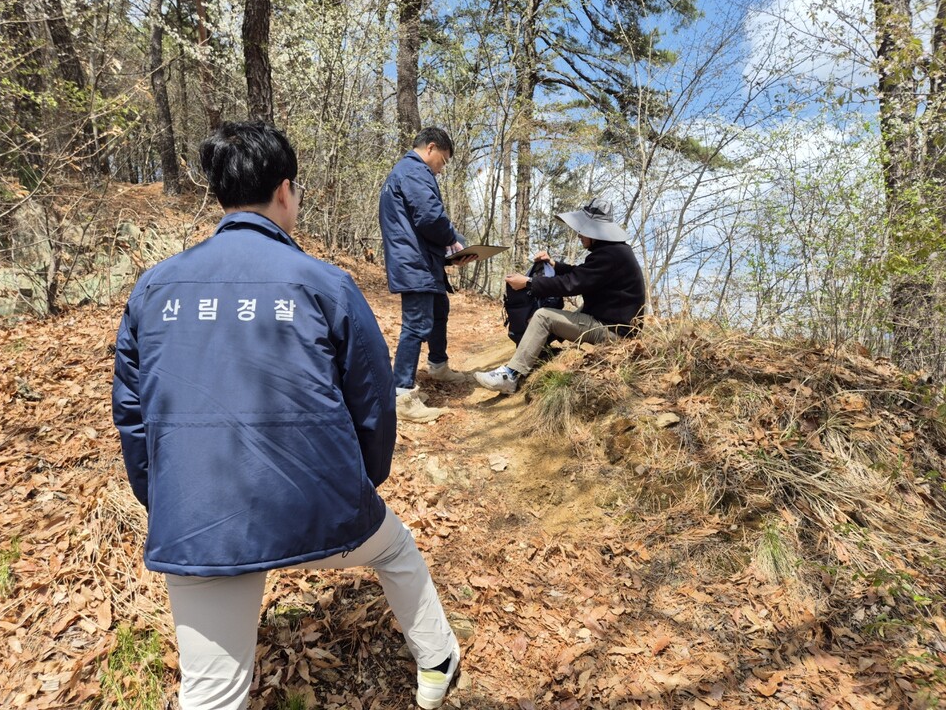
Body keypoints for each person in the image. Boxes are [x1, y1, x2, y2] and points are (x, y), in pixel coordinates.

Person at [112, 121, 460, 710]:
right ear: (285, 191)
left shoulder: (155, 287)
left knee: (210, 693)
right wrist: (363, 484)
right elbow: (372, 397)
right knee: (396, 550)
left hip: (196, 520)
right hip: (319, 503)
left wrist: (167, 500)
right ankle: (437, 661)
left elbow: (132, 414)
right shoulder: (323, 282)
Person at [475, 198, 646, 395]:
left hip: (614, 334)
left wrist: (529, 282)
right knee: (558, 315)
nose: (579, 234)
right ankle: (540, 353)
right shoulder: (615, 252)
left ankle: (510, 376)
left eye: (583, 230)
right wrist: (554, 264)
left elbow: (571, 284)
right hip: (615, 325)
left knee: (543, 316)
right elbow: (583, 274)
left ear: (595, 232)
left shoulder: (610, 255)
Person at [379, 127, 475, 423]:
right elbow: (431, 218)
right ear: (431, 148)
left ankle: (438, 365)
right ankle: (402, 392)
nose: (442, 169)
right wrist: (454, 243)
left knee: (438, 311)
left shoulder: (411, 173)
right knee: (417, 323)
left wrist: (457, 247)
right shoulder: (413, 171)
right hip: (414, 263)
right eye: (443, 161)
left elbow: (428, 220)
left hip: (422, 261)